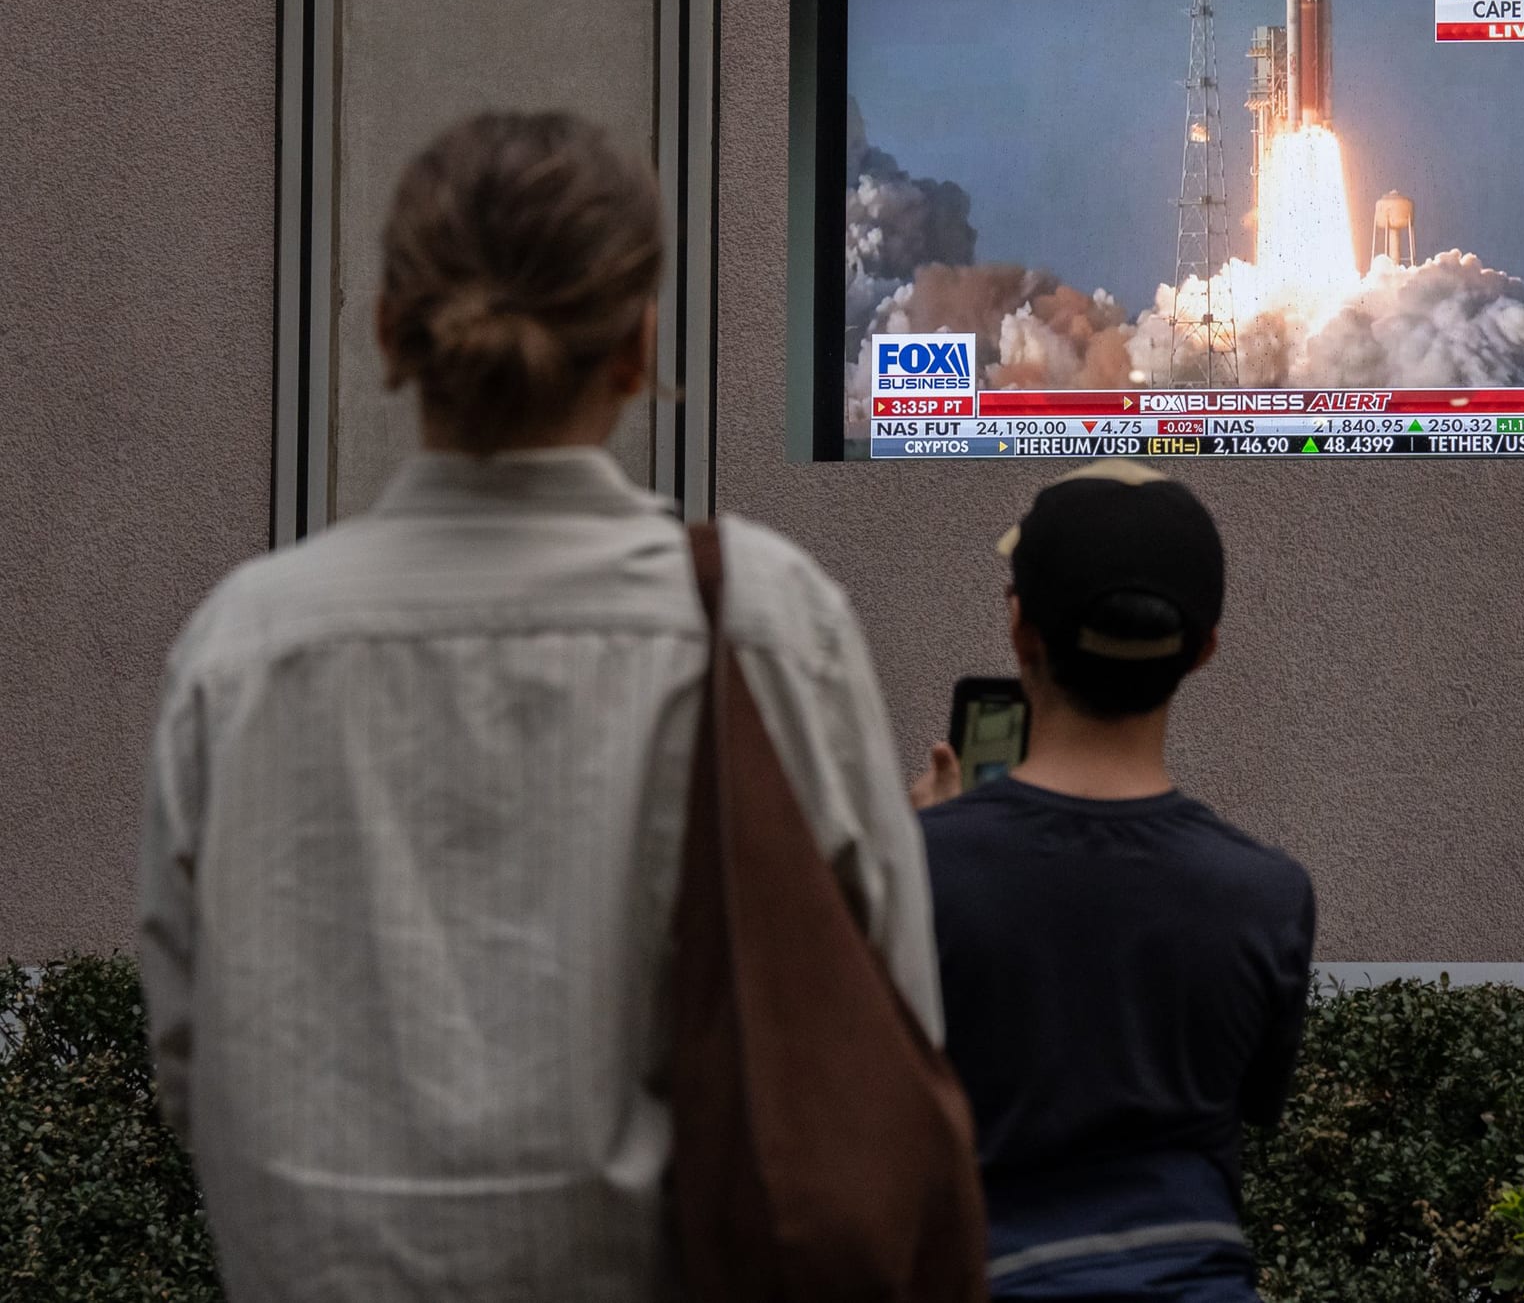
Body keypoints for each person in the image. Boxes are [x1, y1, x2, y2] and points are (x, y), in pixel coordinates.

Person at [137, 112, 939, 1303]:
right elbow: (890, 1017)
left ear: (388, 333)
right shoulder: (763, 620)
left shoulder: (245, 645)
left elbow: (188, 1051)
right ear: (638, 344)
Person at [911, 462, 1315, 1302]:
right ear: (1202, 649)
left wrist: (929, 837)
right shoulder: (1268, 894)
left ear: (1022, 630)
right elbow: (1250, 1104)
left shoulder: (918, 866)